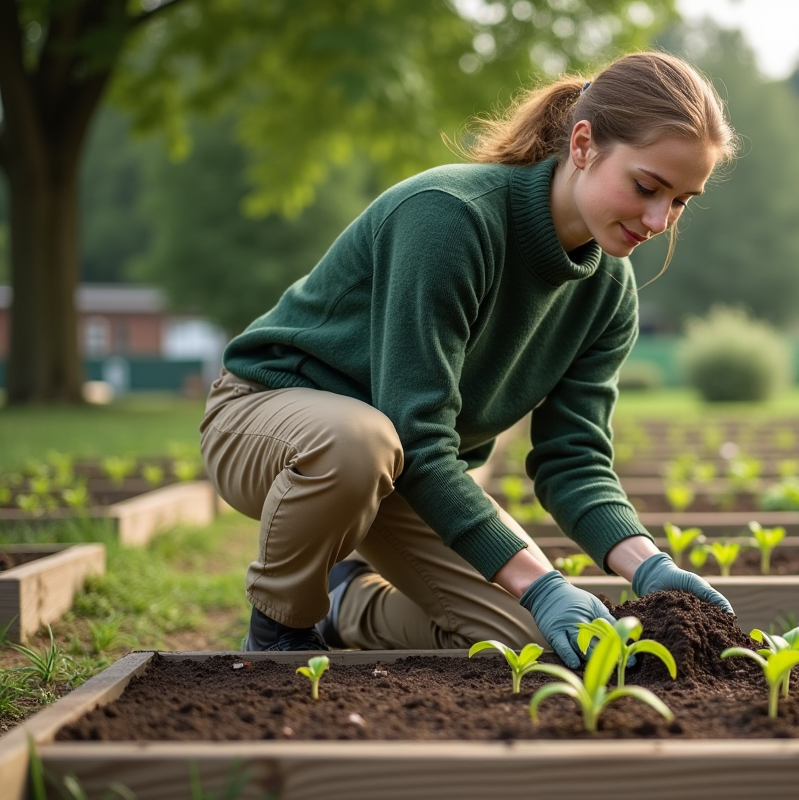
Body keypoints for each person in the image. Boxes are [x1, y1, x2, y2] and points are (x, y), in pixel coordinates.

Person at [199, 51, 738, 667]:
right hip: (272, 425)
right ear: (583, 144)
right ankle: (279, 628)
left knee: (532, 642)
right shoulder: (450, 218)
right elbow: (417, 430)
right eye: (647, 187)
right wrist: (539, 580)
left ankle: (344, 606)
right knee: (359, 442)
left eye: (680, 202)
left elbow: (573, 458)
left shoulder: (608, 295)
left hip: (405, 471)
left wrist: (650, 568)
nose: (657, 219)